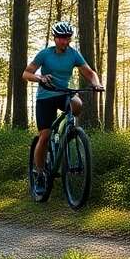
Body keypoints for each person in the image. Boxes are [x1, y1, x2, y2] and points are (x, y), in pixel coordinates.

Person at [21, 21, 104, 197]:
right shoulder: (45, 54)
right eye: (61, 38)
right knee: (44, 136)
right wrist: (40, 78)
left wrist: (96, 84)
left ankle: (69, 129)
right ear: (55, 38)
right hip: (45, 97)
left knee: (78, 104)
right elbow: (26, 73)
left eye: (67, 38)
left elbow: (89, 72)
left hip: (64, 93)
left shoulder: (74, 55)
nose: (65, 41)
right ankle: (40, 174)